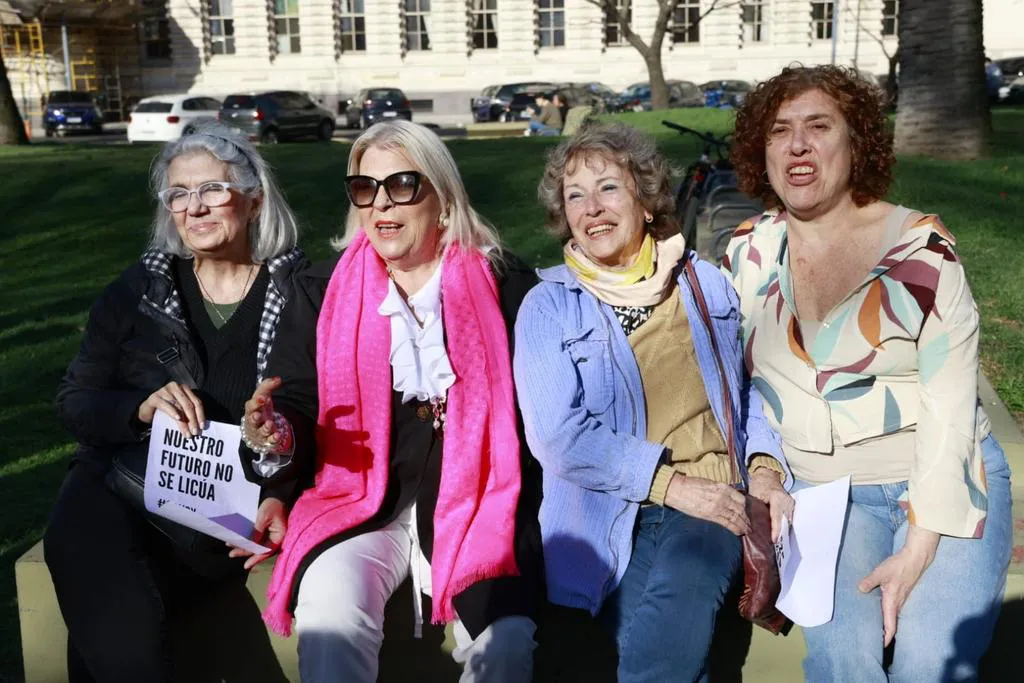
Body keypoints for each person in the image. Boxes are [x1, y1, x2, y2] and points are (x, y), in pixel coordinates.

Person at [726, 64, 1012, 681]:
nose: (797, 144)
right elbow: (742, 391)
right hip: (825, 498)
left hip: (944, 480)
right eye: (779, 131)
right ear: (763, 151)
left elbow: (951, 403)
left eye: (818, 126)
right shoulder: (746, 254)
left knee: (929, 665)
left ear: (857, 144)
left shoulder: (921, 252)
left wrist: (919, 546)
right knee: (843, 663)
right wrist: (764, 469)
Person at [233, 119, 544, 683]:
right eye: (364, 188)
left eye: (402, 185)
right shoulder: (323, 289)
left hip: (476, 510)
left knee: (504, 644)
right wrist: (276, 431)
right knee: (329, 614)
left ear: (443, 200)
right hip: (362, 505)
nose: (381, 203)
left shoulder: (506, 287)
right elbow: (298, 401)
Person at [512, 120, 791, 683]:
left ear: (645, 200)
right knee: (653, 652)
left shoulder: (704, 283)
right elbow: (557, 437)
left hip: (715, 499)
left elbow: (747, 394)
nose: (592, 208)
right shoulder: (549, 306)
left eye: (608, 187)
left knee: (661, 646)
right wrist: (672, 487)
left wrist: (764, 470)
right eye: (575, 196)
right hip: (612, 514)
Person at [44, 122, 306, 682]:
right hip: (120, 483)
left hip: (215, 505)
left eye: (212, 189)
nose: (195, 208)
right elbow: (75, 401)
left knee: (107, 605)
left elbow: (322, 407)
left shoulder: (302, 292)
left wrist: (273, 436)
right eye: (179, 195)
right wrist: (138, 408)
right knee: (87, 537)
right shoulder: (137, 291)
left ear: (253, 198)